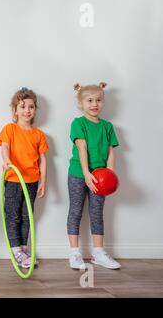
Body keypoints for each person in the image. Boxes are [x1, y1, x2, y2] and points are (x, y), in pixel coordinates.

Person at [67, 82, 121, 270]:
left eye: (98, 100)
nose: (94, 104)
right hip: (78, 174)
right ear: (81, 103)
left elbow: (110, 152)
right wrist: (86, 174)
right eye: (89, 100)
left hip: (100, 177)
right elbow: (81, 148)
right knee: (75, 211)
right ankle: (74, 253)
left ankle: (98, 253)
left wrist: (110, 175)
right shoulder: (78, 123)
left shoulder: (107, 126)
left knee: (97, 213)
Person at [0, 87, 48, 268]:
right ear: (15, 110)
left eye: (31, 107)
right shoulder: (9, 129)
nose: (27, 110)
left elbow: (42, 159)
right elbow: (4, 147)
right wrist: (7, 160)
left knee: (27, 216)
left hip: (32, 181)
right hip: (13, 180)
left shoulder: (38, 134)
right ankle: (16, 250)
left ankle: (24, 250)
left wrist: (43, 181)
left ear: (35, 110)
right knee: (13, 216)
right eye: (22, 106)